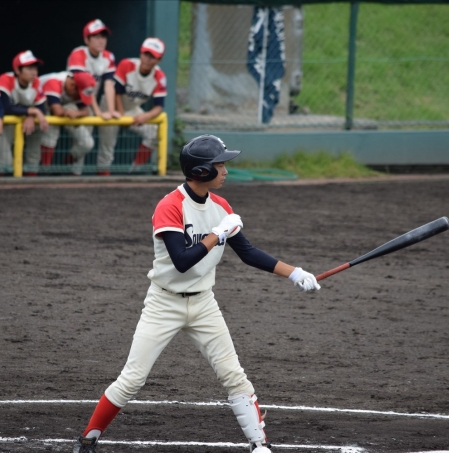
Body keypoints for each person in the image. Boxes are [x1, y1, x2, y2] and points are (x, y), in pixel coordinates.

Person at [72, 135, 320, 453]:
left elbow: (248, 253)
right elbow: (182, 260)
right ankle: (87, 440)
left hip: (204, 303)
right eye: (220, 164)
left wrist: (294, 273)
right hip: (164, 303)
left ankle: (260, 444)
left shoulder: (222, 207)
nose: (225, 170)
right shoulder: (170, 206)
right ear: (201, 171)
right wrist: (217, 234)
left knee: (233, 374)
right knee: (132, 379)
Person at [66, 19, 120, 175]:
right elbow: (84, 87)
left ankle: (96, 173)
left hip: (90, 101)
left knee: (88, 141)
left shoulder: (108, 56)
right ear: (86, 40)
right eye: (96, 37)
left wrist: (111, 110)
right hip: (73, 102)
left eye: (103, 36)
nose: (101, 40)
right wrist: (98, 112)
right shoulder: (78, 54)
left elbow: (108, 85)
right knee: (84, 142)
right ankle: (70, 173)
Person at [108, 37, 167, 173]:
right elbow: (117, 92)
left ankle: (134, 171)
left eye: (152, 56)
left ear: (159, 60)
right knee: (107, 147)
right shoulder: (127, 64)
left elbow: (159, 106)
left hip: (131, 109)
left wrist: (146, 116)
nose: (147, 59)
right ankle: (102, 178)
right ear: (140, 53)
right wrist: (121, 114)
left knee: (154, 133)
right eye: (146, 54)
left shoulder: (159, 76)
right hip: (110, 105)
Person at [0, 50, 49, 175]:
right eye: (29, 68)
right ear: (17, 70)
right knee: (4, 161)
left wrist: (30, 115)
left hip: (14, 120)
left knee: (30, 157)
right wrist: (32, 111)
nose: (34, 72)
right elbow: (6, 108)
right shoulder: (6, 79)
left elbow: (42, 108)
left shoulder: (36, 82)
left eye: (35, 68)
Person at [39, 71, 102, 176]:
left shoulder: (76, 85)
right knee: (39, 148)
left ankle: (62, 168)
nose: (79, 97)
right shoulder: (54, 82)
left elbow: (86, 111)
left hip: (55, 109)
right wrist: (70, 113)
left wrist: (77, 113)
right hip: (35, 110)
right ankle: (44, 175)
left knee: (87, 143)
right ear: (72, 85)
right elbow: (57, 111)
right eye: (79, 94)